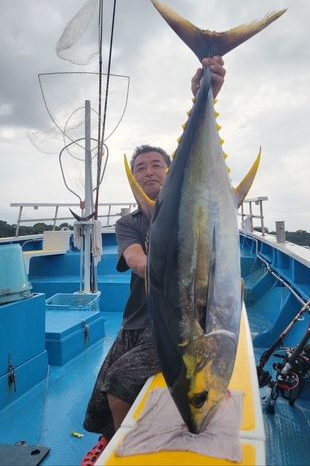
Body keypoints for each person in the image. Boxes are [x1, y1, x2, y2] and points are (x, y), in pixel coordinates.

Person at [81, 56, 226, 465]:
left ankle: (135, 454)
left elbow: (206, 171)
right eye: (140, 168)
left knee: (120, 381)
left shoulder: (192, 213)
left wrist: (207, 93)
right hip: (135, 323)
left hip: (174, 327)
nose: (148, 172)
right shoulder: (128, 222)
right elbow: (137, 261)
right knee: (96, 401)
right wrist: (157, 261)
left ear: (171, 169)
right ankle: (112, 440)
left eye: (157, 165)